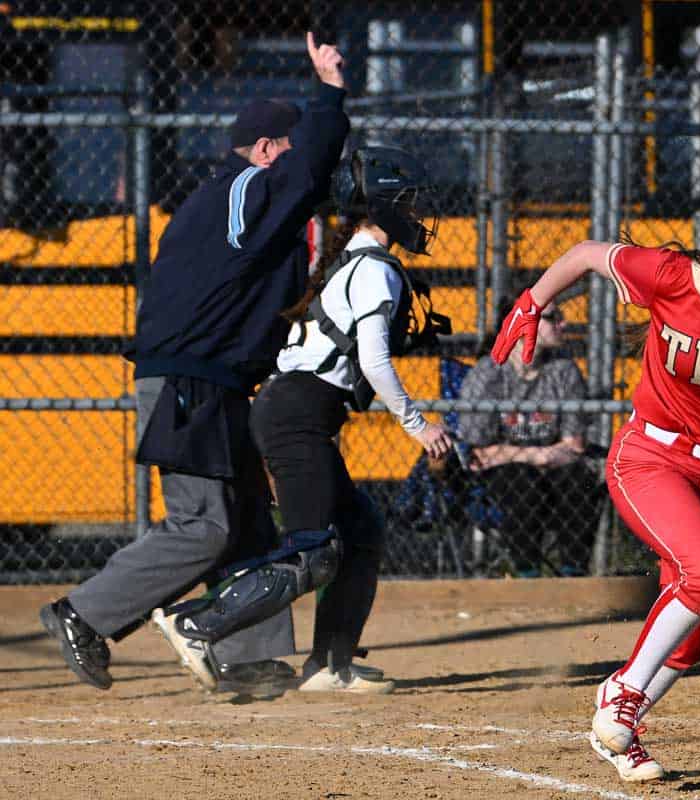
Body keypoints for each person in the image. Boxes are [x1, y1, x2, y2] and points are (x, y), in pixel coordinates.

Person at [38, 33, 350, 695]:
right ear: (266, 151)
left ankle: (241, 656)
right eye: (290, 156)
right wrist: (329, 93)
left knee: (245, 519)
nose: (305, 180)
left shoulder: (241, 204)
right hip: (190, 377)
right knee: (203, 525)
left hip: (215, 379)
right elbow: (301, 177)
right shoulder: (244, 189)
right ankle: (82, 615)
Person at [490, 172, 700, 782]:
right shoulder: (672, 277)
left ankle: (620, 734)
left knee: (694, 628)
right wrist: (534, 300)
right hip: (652, 457)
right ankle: (621, 696)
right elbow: (588, 254)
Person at [152, 147, 455, 695]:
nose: (416, 217)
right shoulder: (373, 270)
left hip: (298, 409)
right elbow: (374, 362)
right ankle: (197, 624)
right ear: (382, 208)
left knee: (359, 531)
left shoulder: (356, 262)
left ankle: (329, 666)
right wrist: (418, 425)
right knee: (315, 548)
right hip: (296, 412)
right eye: (407, 205)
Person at [456, 291, 602, 576]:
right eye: (553, 318)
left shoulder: (563, 371)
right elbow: (478, 452)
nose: (564, 324)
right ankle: (527, 574)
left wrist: (515, 453)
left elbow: (575, 444)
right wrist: (538, 454)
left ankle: (574, 573)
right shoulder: (488, 374)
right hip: (515, 471)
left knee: (577, 478)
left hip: (556, 464)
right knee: (521, 481)